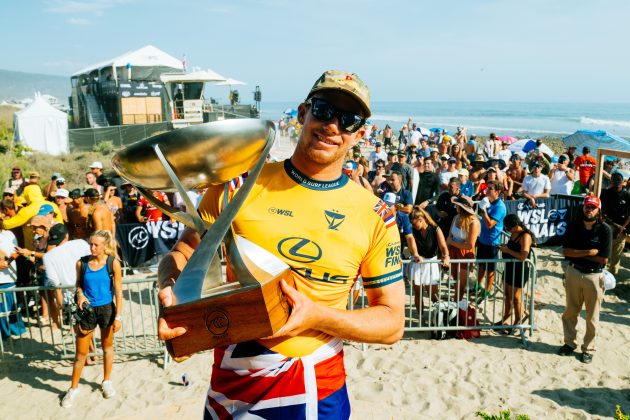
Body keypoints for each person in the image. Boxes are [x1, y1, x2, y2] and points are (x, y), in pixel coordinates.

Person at [156, 70, 404, 418]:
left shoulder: (375, 216)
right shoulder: (238, 187)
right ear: (302, 114)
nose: (333, 126)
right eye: (324, 110)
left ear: (359, 135)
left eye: (348, 120)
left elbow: (392, 322)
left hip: (313, 383)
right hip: (232, 380)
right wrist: (169, 294)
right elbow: (183, 254)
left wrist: (318, 316)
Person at [62, 230, 123, 408]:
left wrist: (119, 316)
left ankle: (106, 381)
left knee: (107, 347)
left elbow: (119, 291)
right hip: (87, 310)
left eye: (96, 245)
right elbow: (78, 284)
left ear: (105, 246)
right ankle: (73, 388)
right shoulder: (81, 263)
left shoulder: (113, 263)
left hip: (106, 309)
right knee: (81, 354)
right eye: (91, 244)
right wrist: (80, 295)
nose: (92, 247)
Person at [558, 196, 611, 364]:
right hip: (573, 272)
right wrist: (588, 252)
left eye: (593, 207)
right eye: (587, 206)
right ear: (583, 208)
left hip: (594, 277)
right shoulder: (574, 226)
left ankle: (588, 348)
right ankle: (569, 343)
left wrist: (577, 252)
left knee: (592, 317)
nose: (589, 210)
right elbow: (566, 252)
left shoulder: (604, 230)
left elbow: (604, 259)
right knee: (570, 312)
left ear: (598, 210)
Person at [43, 224, 91, 331]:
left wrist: (60, 305)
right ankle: (91, 348)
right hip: (88, 291)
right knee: (88, 330)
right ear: (67, 235)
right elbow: (92, 263)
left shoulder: (47, 257)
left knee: (77, 331)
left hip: (67, 297)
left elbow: (55, 284)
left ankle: (88, 348)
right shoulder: (81, 243)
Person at [497, 214, 534, 334]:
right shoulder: (514, 233)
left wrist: (507, 250)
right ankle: (506, 318)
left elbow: (523, 256)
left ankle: (518, 321)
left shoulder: (525, 236)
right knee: (507, 295)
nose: (507, 230)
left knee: (517, 298)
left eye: (508, 228)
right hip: (510, 267)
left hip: (520, 269)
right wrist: (505, 248)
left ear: (515, 226)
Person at [409, 207, 449, 313]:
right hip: (418, 262)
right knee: (418, 293)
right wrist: (416, 255)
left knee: (434, 296)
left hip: (431, 263)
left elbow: (443, 246)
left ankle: (440, 317)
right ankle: (421, 318)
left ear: (421, 219)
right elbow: (411, 245)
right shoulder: (413, 230)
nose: (413, 226)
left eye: (414, 223)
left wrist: (446, 256)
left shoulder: (435, 229)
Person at [476, 181, 507, 304]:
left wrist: (483, 210)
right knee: (481, 266)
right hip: (483, 239)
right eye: (487, 188)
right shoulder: (489, 202)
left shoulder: (500, 206)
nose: (486, 191)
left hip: (492, 242)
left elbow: (489, 225)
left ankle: (487, 292)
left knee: (490, 270)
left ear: (497, 192)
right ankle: (478, 286)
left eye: (490, 189)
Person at [446, 196, 480, 299]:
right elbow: (450, 235)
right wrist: (446, 253)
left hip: (465, 254)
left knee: (461, 283)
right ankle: (456, 301)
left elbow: (470, 245)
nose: (456, 206)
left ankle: (458, 303)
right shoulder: (456, 217)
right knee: (455, 279)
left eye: (457, 205)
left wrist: (451, 242)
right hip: (453, 251)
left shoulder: (473, 222)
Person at [600, 172, 630, 278]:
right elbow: (601, 212)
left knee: (616, 255)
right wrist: (614, 225)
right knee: (604, 252)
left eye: (619, 182)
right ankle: (600, 274)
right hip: (608, 225)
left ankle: (612, 277)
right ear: (611, 182)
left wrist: (622, 227)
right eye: (614, 182)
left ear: (623, 182)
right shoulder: (605, 193)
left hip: (622, 228)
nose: (616, 184)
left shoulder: (627, 195)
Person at [0, 225, 26, 339]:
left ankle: (18, 333)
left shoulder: (9, 234)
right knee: (2, 311)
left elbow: (17, 251)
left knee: (13, 308)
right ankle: (5, 335)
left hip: (9, 278)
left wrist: (8, 262)